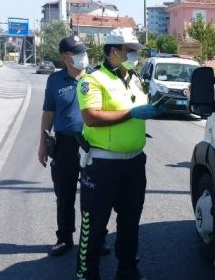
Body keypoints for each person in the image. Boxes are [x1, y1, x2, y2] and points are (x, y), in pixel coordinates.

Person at [75, 27, 162, 280]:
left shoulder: (134, 79)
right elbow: (91, 117)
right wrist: (130, 114)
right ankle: (86, 274)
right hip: (103, 165)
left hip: (134, 163)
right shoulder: (92, 80)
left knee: (130, 221)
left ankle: (127, 271)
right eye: (130, 51)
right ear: (114, 51)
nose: (135, 56)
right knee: (94, 224)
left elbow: (137, 110)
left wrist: (152, 110)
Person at [38, 34, 110, 257]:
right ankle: (64, 238)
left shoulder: (97, 78)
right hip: (66, 144)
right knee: (64, 193)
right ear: (65, 57)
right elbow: (48, 113)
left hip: (93, 143)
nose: (83, 56)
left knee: (96, 196)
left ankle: (97, 239)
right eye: (78, 53)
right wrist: (42, 143)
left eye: (84, 52)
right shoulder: (55, 81)